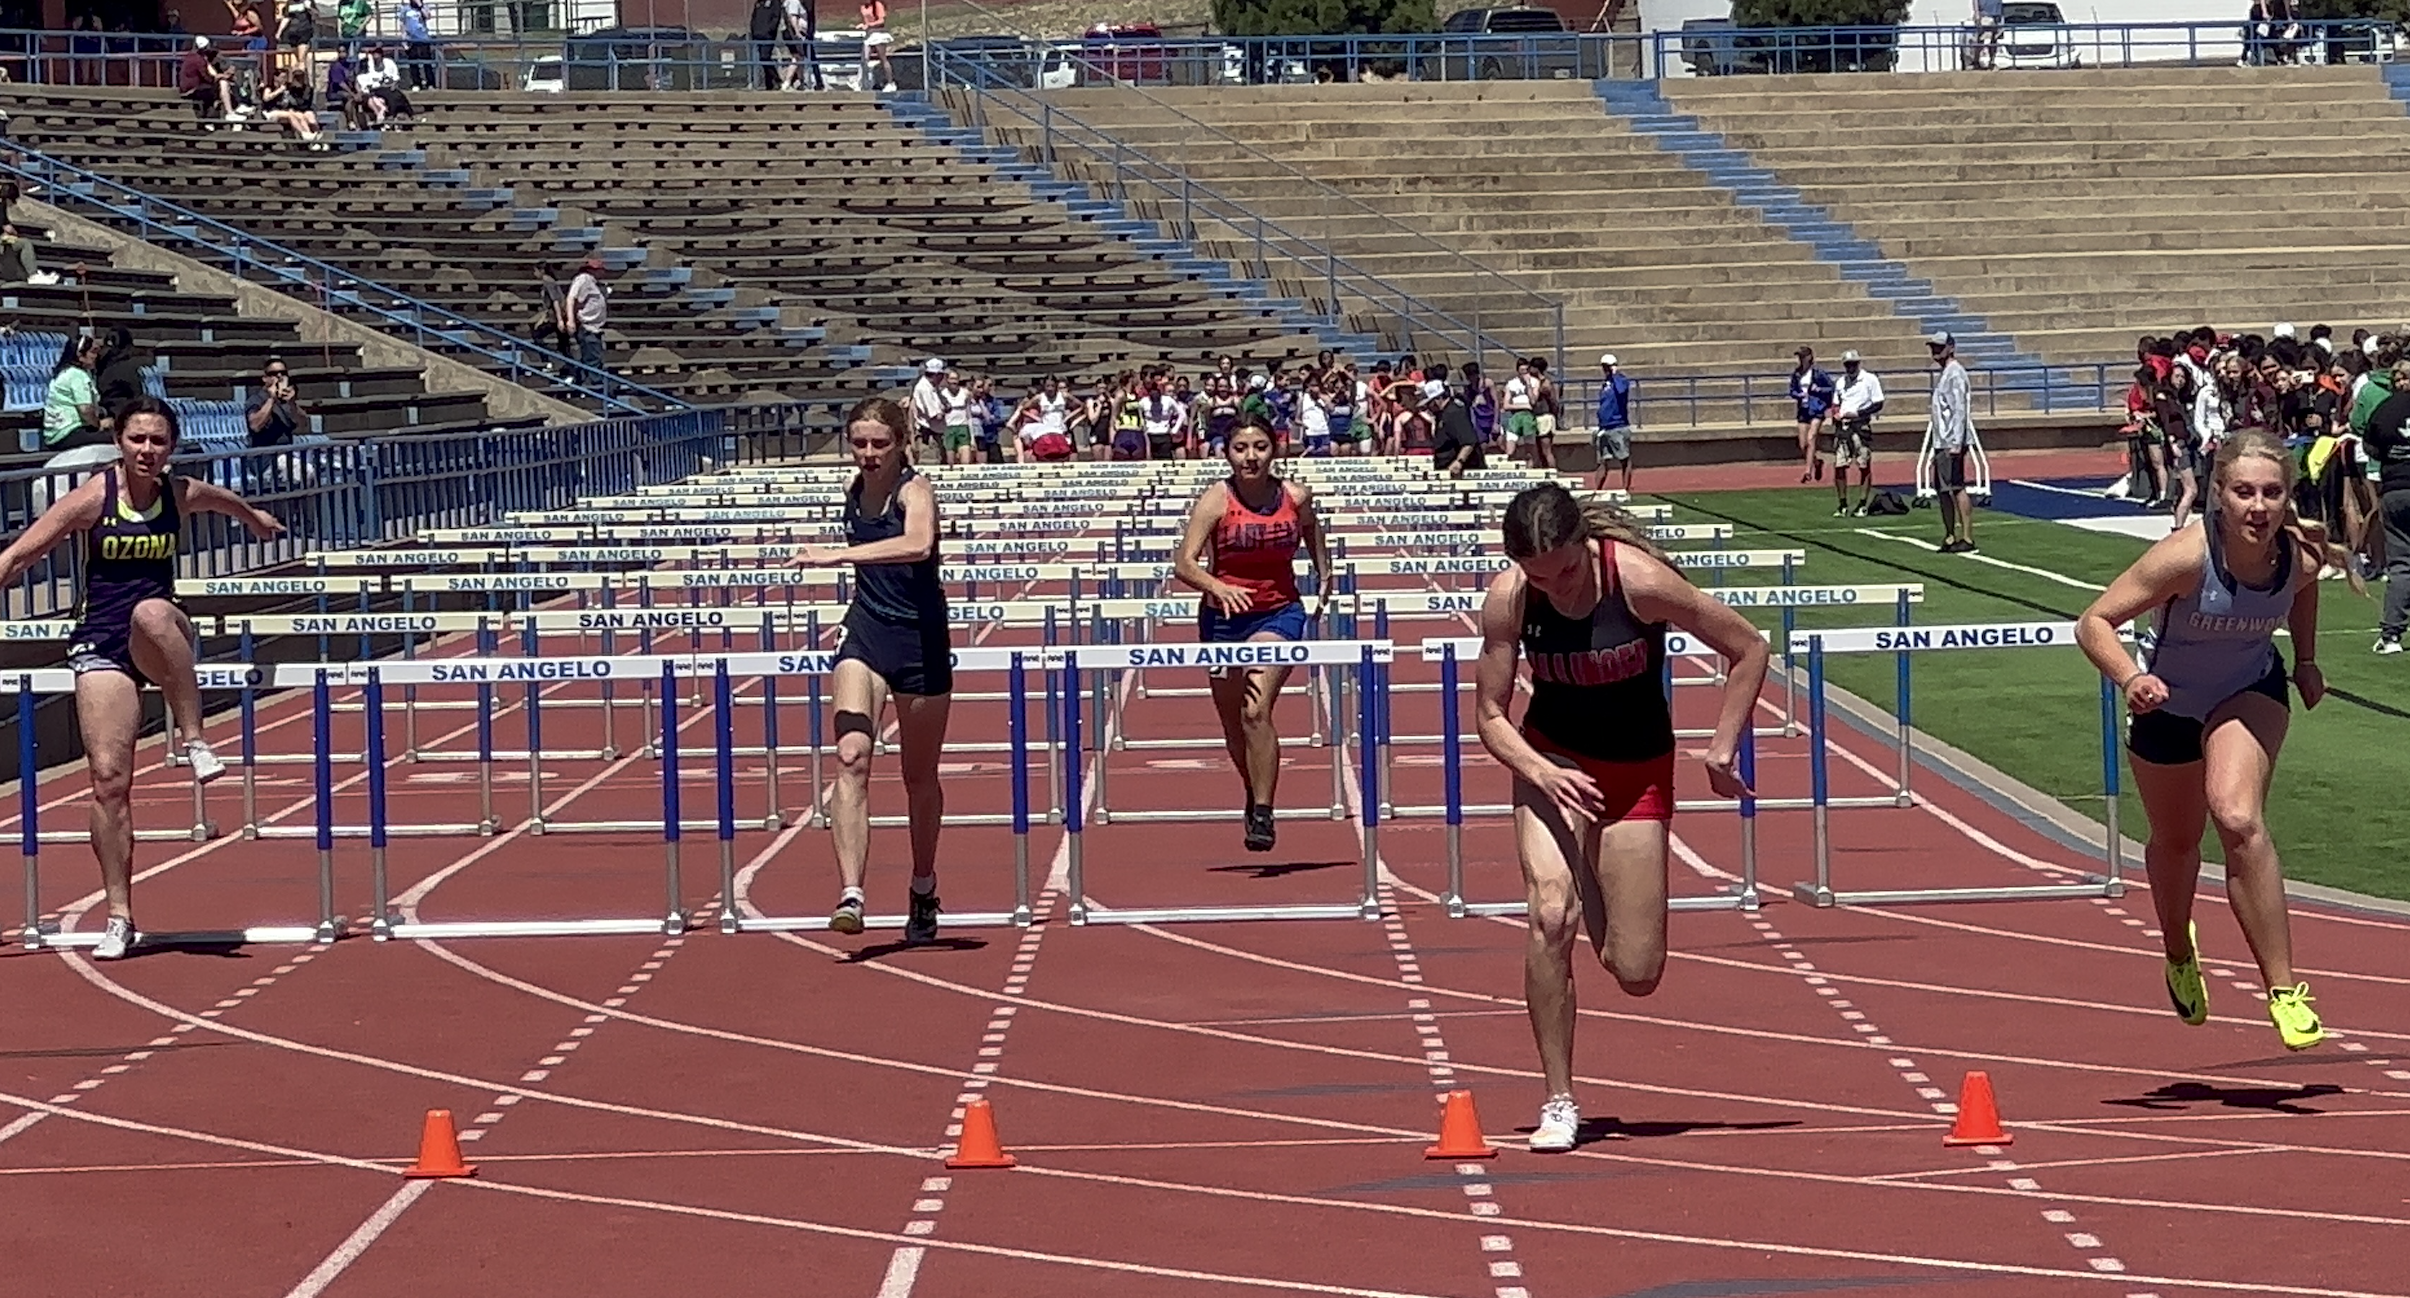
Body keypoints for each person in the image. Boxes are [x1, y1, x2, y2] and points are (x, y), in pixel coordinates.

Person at [1473, 483, 1767, 1152]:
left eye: (1567, 570)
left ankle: (1589, 866)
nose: (1558, 588)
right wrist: (1541, 771)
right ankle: (1559, 1099)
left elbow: (1748, 648)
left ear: (1585, 543)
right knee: (1550, 915)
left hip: (1635, 771)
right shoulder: (1510, 599)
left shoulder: (1637, 581)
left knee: (1636, 971)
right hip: (1554, 759)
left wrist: (1722, 747)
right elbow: (1490, 714)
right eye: (1539, 576)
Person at [2074, 429, 2346, 1052]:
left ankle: (2283, 990)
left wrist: (2305, 660)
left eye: (2271, 493)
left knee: (2238, 816)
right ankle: (2177, 948)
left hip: (2247, 691)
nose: (2258, 507)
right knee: (2176, 842)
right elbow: (2094, 622)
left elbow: (2301, 592)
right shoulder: (2184, 557)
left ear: (2287, 498)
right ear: (2217, 494)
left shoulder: (2302, 555)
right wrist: (2130, 676)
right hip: (2167, 704)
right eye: (2243, 492)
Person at [0, 399, 284, 960]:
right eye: (137, 440)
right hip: (100, 643)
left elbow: (222, 499)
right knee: (108, 781)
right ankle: (119, 915)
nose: (147, 451)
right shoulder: (93, 498)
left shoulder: (180, 494)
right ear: (119, 442)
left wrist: (256, 521)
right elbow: (20, 555)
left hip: (162, 637)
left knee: (149, 612)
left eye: (158, 441)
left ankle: (195, 739)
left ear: (171, 448)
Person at [790, 398, 950, 944]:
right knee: (851, 755)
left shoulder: (915, 491)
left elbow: (918, 543)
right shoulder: (851, 493)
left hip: (921, 641)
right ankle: (851, 892)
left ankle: (923, 885)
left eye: (879, 443)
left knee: (917, 777)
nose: (868, 454)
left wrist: (837, 557)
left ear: (901, 443)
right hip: (866, 631)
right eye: (859, 443)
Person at [1173, 416, 1331, 852]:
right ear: (1228, 453)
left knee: (1255, 709)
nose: (1251, 457)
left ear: (1274, 450)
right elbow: (1184, 563)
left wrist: (1325, 570)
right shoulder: (1215, 500)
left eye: (1260, 447)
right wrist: (1218, 586)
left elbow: (1312, 528)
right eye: (1241, 448)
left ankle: (1263, 810)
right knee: (1233, 722)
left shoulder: (1295, 496)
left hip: (1278, 614)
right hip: (1222, 620)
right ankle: (1253, 789)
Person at [1925, 331, 1977, 552]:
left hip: (1950, 441)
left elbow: (1959, 410)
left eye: (1940, 347)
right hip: (1942, 440)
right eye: (1933, 347)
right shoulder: (1946, 373)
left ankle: (1966, 536)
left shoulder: (1955, 373)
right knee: (1943, 488)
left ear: (1951, 348)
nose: (1936, 351)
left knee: (1956, 487)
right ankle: (1949, 535)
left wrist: (1956, 442)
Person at [1829, 350, 1884, 516]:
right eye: (1847, 364)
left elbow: (1878, 403)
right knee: (1839, 466)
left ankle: (1862, 503)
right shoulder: (1841, 382)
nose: (1850, 367)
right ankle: (1843, 503)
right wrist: (1836, 414)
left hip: (1860, 425)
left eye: (1853, 364)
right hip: (1843, 427)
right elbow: (1836, 403)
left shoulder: (1869, 379)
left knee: (1863, 464)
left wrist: (1859, 413)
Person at [43, 333, 109, 454]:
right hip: (68, 432)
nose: (96, 356)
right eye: (92, 352)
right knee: (114, 439)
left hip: (56, 434)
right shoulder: (77, 375)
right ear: (80, 354)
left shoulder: (64, 372)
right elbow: (85, 410)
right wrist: (99, 425)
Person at [1591, 353, 1635, 493]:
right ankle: (1598, 490)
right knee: (1602, 461)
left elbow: (1622, 392)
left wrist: (1615, 374)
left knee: (1624, 459)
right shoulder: (1606, 384)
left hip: (1618, 425)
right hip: (1605, 427)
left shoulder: (1620, 380)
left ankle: (1625, 489)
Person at [1790, 346, 1833, 484]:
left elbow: (1831, 388)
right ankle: (1817, 462)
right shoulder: (1797, 374)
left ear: (1809, 357)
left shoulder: (1818, 373)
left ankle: (1808, 471)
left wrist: (1818, 390)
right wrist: (1798, 395)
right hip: (1803, 409)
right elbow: (1792, 390)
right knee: (1802, 444)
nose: (1801, 359)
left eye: (1803, 356)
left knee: (1811, 437)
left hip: (1817, 409)